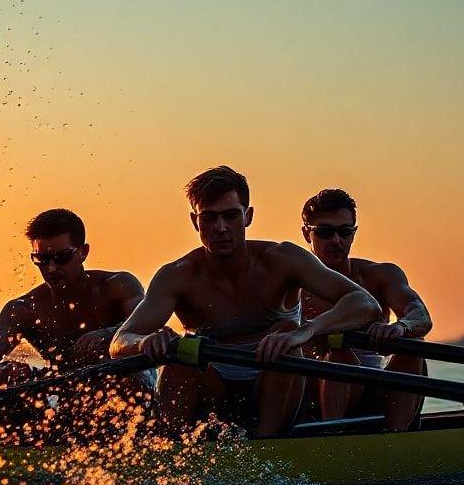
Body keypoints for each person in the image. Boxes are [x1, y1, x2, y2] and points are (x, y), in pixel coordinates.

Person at [111, 166, 382, 437]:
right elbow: (120, 341)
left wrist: (307, 330)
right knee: (177, 358)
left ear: (248, 216)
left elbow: (364, 303)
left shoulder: (283, 259)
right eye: (209, 218)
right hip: (213, 393)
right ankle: (173, 452)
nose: (220, 228)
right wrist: (144, 341)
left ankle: (267, 447)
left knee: (286, 336)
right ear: (195, 222)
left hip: (276, 388)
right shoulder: (177, 276)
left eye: (231, 216)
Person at [0, 208, 148, 444]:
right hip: (67, 406)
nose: (52, 268)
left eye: (62, 257)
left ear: (83, 252)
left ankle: (147, 446)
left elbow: (149, 329)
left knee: (127, 375)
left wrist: (109, 336)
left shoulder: (119, 286)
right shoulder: (24, 308)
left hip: (128, 399)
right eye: (42, 260)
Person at [300, 188, 433, 431]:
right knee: (339, 355)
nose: (336, 240)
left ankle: (397, 443)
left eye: (345, 231)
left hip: (378, 394)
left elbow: (420, 314)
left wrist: (402, 327)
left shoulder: (380, 276)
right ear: (307, 234)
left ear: (354, 233)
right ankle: (331, 439)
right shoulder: (294, 287)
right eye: (325, 232)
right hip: (313, 397)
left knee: (413, 347)